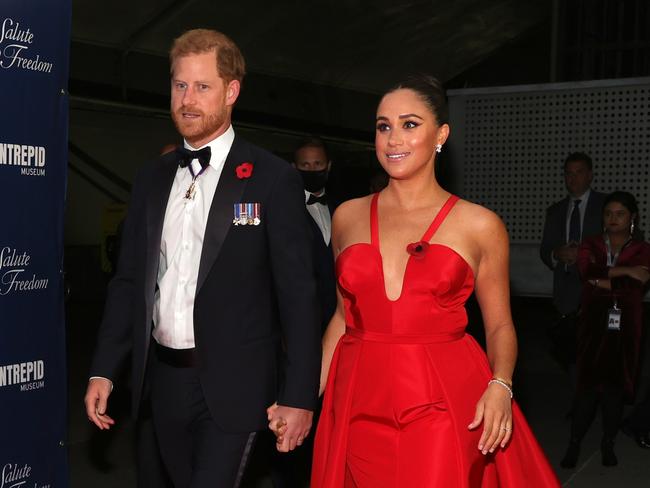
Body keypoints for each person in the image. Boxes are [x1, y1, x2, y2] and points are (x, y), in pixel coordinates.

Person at [270, 75, 559, 486]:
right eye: (383, 126)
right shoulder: (348, 216)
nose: (393, 139)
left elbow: (499, 324)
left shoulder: (479, 224)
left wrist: (501, 384)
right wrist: (301, 398)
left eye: (409, 124)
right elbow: (341, 318)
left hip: (441, 399)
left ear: (440, 134)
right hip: (356, 399)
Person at [84, 28, 321, 488]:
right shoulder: (151, 179)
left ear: (232, 91)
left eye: (202, 86)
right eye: (179, 85)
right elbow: (130, 281)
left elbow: (299, 296)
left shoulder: (271, 180)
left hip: (237, 389)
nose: (187, 100)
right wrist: (104, 370)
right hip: (161, 384)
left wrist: (299, 396)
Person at [561, 191, 650, 468]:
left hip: (626, 327)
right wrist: (626, 272)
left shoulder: (643, 249)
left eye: (620, 214)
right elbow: (587, 272)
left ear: (632, 217)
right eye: (608, 213)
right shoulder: (591, 243)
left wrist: (603, 280)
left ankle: (607, 443)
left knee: (614, 390)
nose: (613, 218)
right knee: (586, 389)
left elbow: (639, 284)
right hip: (592, 325)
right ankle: (574, 443)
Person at [540, 153, 606, 370]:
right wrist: (557, 254)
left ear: (590, 176)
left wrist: (585, 255)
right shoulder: (556, 210)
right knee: (567, 356)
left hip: (597, 289)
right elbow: (545, 250)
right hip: (565, 291)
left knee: (597, 354)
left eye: (578, 173)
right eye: (568, 173)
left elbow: (621, 245)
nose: (573, 178)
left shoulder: (606, 206)